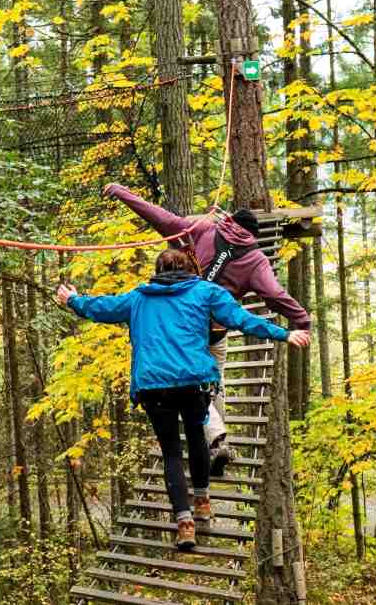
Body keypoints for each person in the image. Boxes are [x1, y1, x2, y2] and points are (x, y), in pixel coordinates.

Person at [56, 248, 310, 550]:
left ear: (157, 271)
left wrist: (73, 300)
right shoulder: (206, 291)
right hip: (194, 382)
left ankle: (184, 523)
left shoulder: (139, 297)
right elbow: (241, 318)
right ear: (189, 268)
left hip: (154, 386)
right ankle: (202, 500)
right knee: (196, 439)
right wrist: (283, 333)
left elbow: (102, 307)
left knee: (172, 453)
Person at [103, 183, 312, 477]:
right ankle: (216, 442)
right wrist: (301, 321)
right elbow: (275, 295)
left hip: (182, 327)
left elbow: (161, 218)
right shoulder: (255, 260)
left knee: (204, 385)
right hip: (214, 329)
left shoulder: (202, 230)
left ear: (229, 222)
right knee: (213, 384)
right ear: (253, 236)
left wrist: (123, 193)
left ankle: (216, 441)